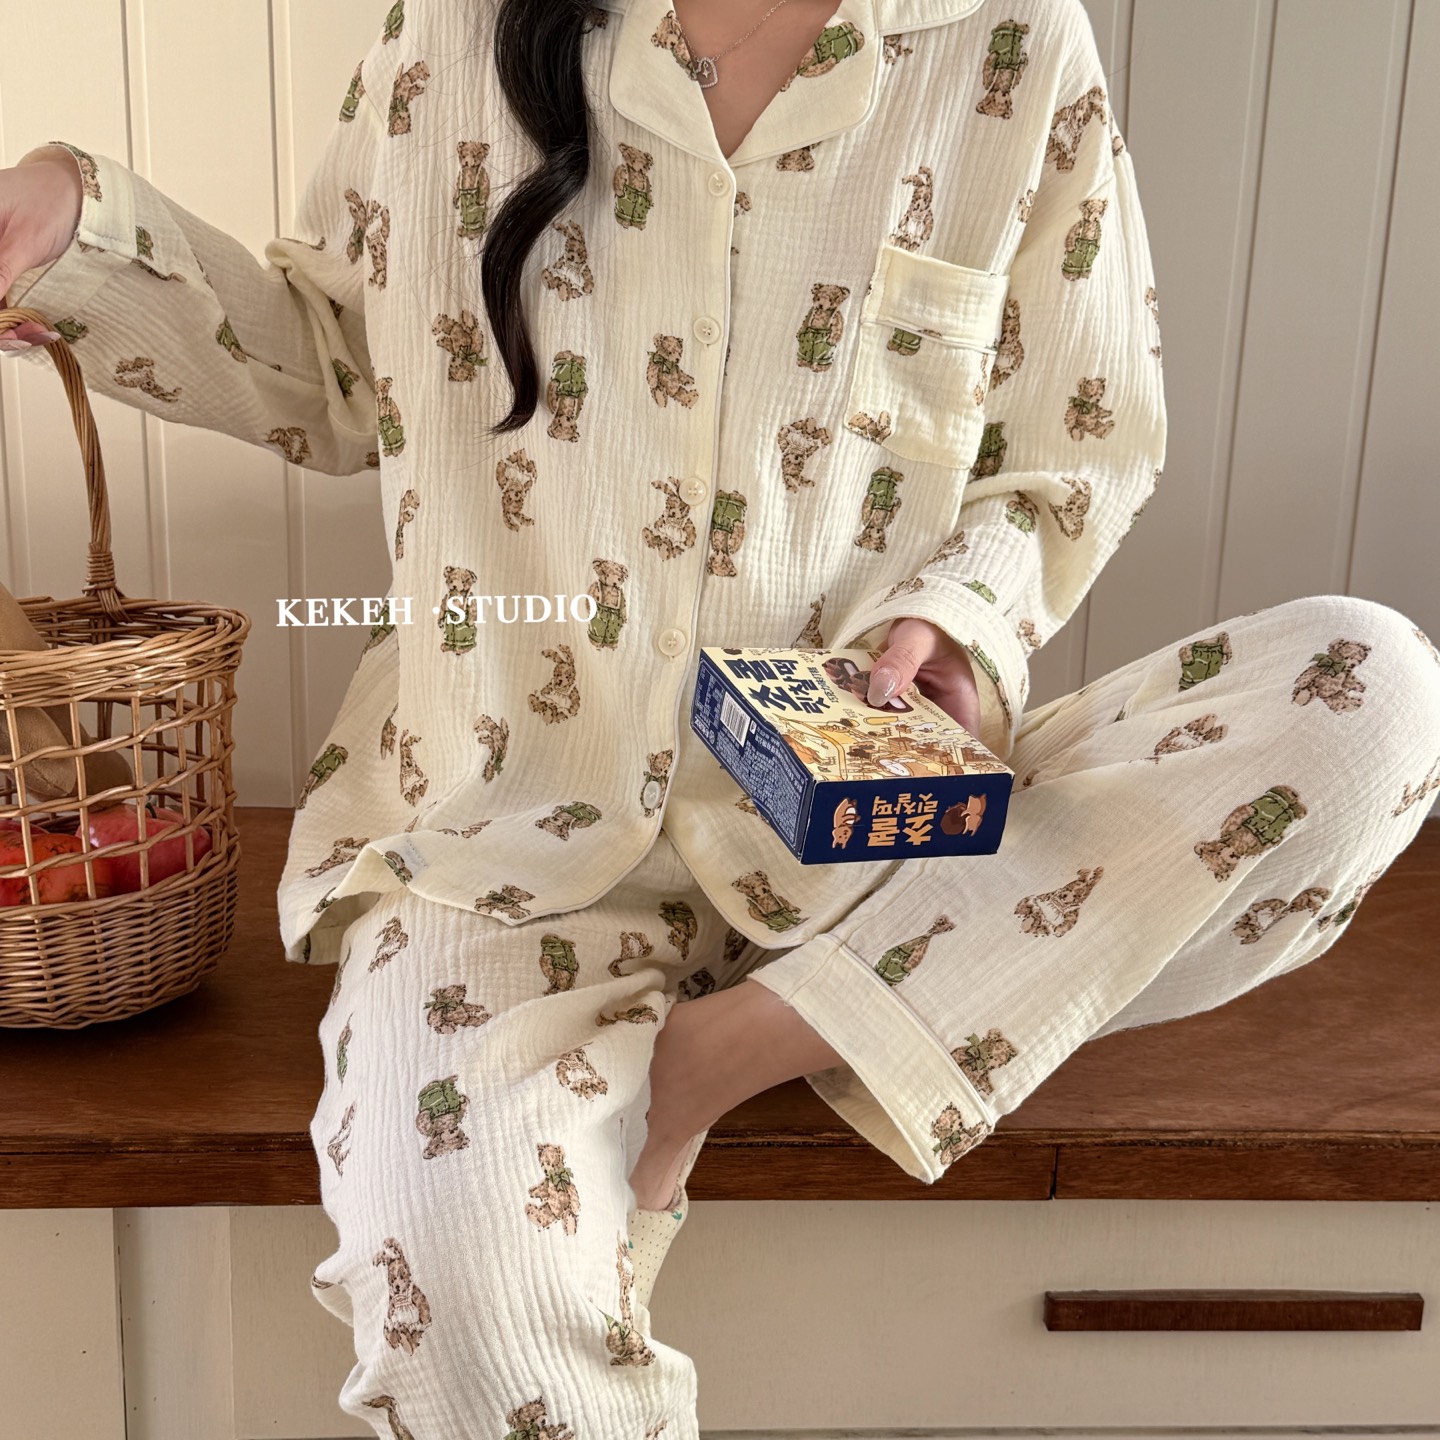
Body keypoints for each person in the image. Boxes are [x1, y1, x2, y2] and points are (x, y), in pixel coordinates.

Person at [3, 0, 1437, 1433]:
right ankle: (800, 1034)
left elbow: (1076, 444)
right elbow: (334, 370)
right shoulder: (455, 31)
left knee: (1373, 688)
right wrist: (84, 227)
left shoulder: (1005, 40)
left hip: (881, 851)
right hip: (506, 837)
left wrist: (961, 618)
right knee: (463, 1313)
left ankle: (727, 1054)